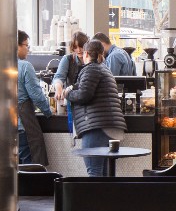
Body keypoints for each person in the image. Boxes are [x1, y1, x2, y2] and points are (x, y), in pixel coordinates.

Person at [64, 39, 127, 177]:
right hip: (109, 126)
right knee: (104, 172)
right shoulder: (104, 69)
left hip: (96, 127)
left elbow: (84, 95)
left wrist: (68, 94)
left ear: (86, 53)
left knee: (94, 170)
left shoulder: (91, 69)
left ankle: (95, 193)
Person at [16, 30, 52, 165]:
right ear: (17, 45)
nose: (28, 49)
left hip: (1, 129)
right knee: (30, 168)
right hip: (22, 125)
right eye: (26, 45)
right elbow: (37, 96)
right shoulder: (24, 66)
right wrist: (48, 111)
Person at [53, 31, 89, 133]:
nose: (79, 50)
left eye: (81, 47)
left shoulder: (92, 61)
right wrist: (59, 88)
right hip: (72, 101)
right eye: (75, 47)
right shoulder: (67, 59)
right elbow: (59, 77)